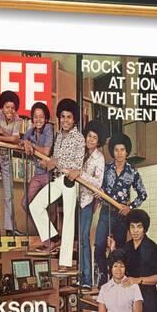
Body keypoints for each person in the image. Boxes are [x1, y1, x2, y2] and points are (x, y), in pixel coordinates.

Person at [29, 98, 85, 272]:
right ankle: (53, 239)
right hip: (57, 179)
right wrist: (51, 163)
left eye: (69, 117)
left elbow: (78, 164)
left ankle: (65, 262)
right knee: (35, 205)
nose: (65, 120)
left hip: (70, 180)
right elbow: (54, 158)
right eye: (63, 116)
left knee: (68, 220)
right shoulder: (58, 135)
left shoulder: (79, 138)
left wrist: (58, 163)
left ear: (74, 119)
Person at [94, 132, 147, 286]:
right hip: (105, 212)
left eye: (122, 150)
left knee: (119, 251)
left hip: (121, 216)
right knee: (98, 246)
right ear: (113, 151)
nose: (119, 153)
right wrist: (99, 195)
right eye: (116, 150)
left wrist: (129, 207)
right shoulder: (106, 169)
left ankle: (117, 281)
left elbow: (143, 194)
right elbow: (99, 188)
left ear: (127, 152)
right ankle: (103, 276)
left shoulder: (132, 172)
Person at [67, 120, 107, 290]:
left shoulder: (100, 158)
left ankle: (87, 279)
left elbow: (98, 182)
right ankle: (79, 275)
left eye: (94, 138)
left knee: (84, 239)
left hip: (87, 201)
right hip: (72, 197)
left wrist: (81, 174)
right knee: (76, 239)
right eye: (89, 136)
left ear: (99, 141)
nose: (90, 139)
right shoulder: (80, 151)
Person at [0, 90, 24, 237]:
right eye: (8, 107)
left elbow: (15, 140)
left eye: (13, 108)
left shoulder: (18, 119)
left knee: (9, 194)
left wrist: (1, 134)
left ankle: (9, 229)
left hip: (7, 157)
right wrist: (9, 136)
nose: (11, 110)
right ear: (3, 107)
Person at [21, 102, 54, 221]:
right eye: (35, 116)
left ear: (46, 119)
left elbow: (46, 151)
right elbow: (22, 141)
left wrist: (31, 144)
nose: (38, 119)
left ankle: (52, 234)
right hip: (37, 174)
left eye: (41, 116)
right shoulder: (30, 132)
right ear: (32, 118)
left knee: (50, 206)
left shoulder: (49, 128)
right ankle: (43, 228)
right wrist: (25, 142)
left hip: (48, 174)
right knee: (26, 203)